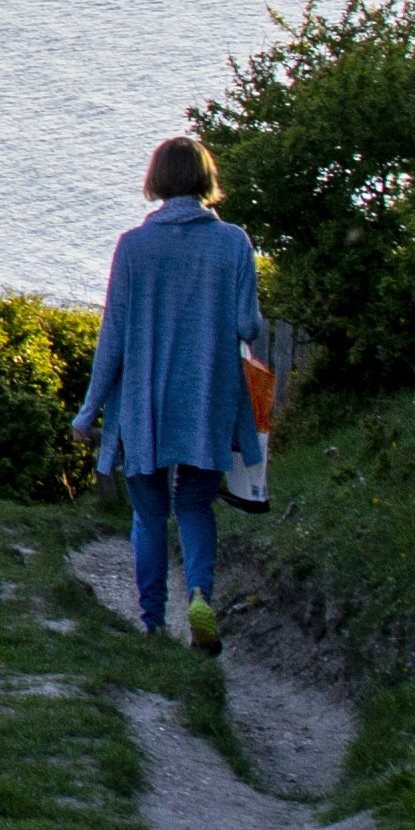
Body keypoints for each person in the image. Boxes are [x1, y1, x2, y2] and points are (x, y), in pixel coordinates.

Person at [75, 133, 265, 651]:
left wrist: (89, 410)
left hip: (142, 403)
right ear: (206, 178)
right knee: (197, 506)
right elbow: (249, 326)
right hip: (207, 398)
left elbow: (111, 337)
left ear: (156, 180)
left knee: (149, 514)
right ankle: (201, 596)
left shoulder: (133, 247)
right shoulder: (234, 243)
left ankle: (153, 622)